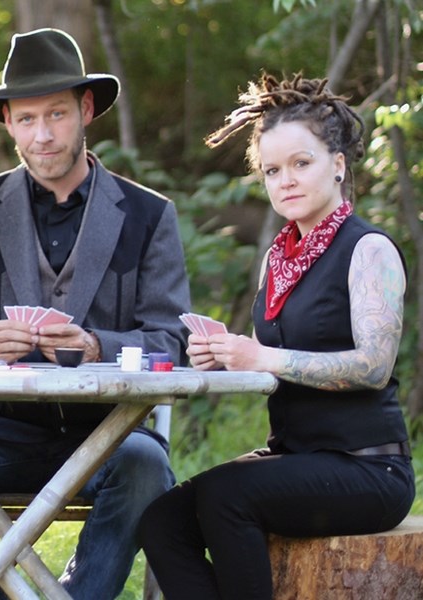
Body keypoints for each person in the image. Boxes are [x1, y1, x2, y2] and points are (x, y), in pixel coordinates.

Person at [0, 28, 190, 599]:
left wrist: (99, 346)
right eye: (27, 119)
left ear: (85, 111)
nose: (43, 134)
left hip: (110, 430)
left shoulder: (150, 215)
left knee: (146, 470)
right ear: (7, 121)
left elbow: (170, 340)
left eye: (56, 114)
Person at [138, 72, 415, 600]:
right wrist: (225, 355)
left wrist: (262, 355)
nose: (285, 180)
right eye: (271, 170)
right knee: (162, 521)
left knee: (224, 494)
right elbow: (276, 355)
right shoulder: (278, 260)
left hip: (369, 467)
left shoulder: (369, 250)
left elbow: (373, 366)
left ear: (338, 164)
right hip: (297, 457)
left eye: (301, 163)